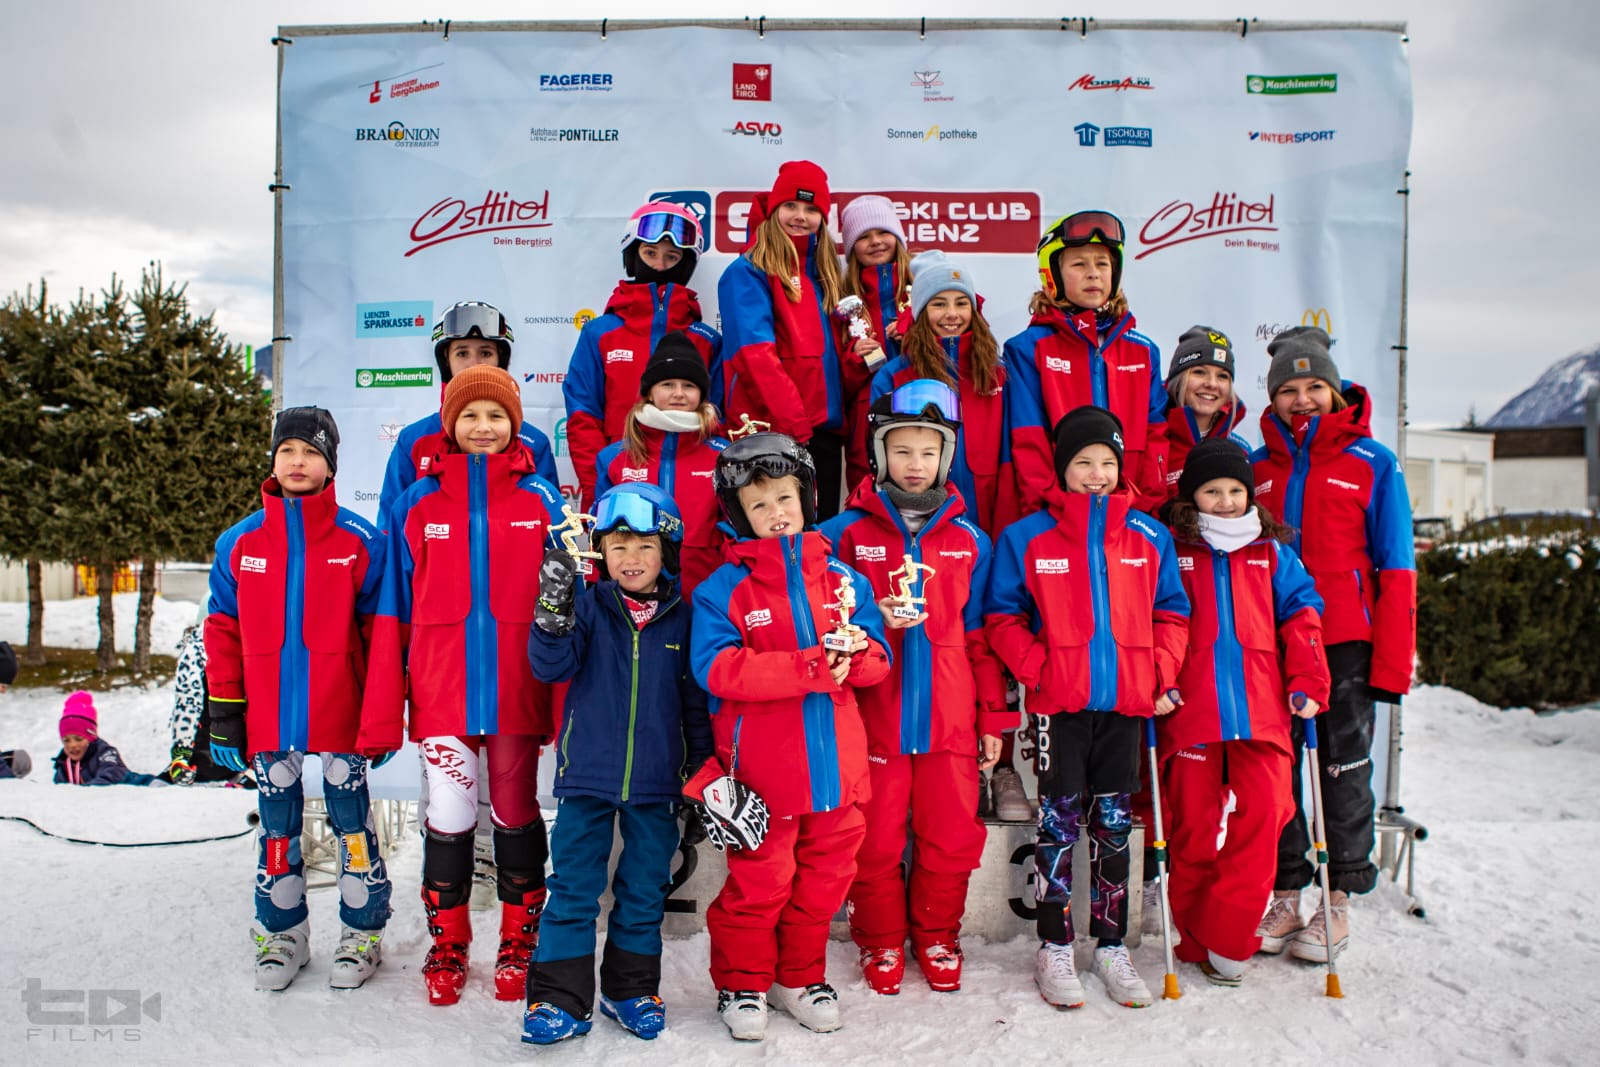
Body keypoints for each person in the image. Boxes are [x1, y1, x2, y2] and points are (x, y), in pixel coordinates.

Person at [360, 366, 564, 1006]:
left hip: (517, 691)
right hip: (442, 692)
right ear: (449, 424)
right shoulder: (416, 503)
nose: (483, 427)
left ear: (515, 426)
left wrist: (567, 704)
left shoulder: (543, 501)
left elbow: (568, 608)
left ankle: (519, 940)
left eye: (496, 416)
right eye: (469, 415)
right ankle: (447, 944)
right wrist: (382, 710)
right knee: (448, 818)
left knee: (516, 813)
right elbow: (391, 611)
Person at [984, 406, 1189, 1009]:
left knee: (1114, 824)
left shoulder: (1149, 535)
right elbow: (1002, 616)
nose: (1097, 474)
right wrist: (1040, 668)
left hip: (1126, 706)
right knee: (1057, 822)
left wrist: (1157, 672)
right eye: (1083, 462)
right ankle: (1054, 943)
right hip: (1060, 706)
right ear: (1062, 468)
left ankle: (1110, 944)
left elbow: (1172, 613)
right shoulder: (1027, 537)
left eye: (1106, 462)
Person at [690, 432, 890, 1039]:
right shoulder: (722, 590)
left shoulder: (843, 578)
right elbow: (717, 669)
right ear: (738, 514)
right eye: (759, 504)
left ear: (805, 498)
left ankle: (799, 977)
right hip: (763, 777)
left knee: (825, 883)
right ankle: (743, 983)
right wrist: (808, 666)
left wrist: (857, 656)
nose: (776, 512)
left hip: (837, 775)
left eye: (784, 498)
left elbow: (878, 659)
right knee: (761, 884)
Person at [818, 382, 1006, 994]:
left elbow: (980, 638)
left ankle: (937, 934)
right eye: (901, 450)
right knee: (873, 842)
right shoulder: (842, 536)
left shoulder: (970, 540)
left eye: (929, 451)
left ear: (947, 458)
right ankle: (878, 940)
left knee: (951, 837)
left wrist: (992, 719)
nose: (916, 464)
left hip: (949, 723)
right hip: (871, 720)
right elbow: (825, 624)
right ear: (879, 454)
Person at [205, 406, 392, 990]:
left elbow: (383, 636)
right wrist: (225, 711)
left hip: (340, 713)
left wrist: (381, 714)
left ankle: (362, 934)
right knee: (278, 830)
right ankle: (282, 934)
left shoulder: (361, 541)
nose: (297, 461)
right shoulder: (239, 542)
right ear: (273, 459)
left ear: (330, 465)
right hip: (267, 716)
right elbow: (222, 629)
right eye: (287, 450)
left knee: (351, 827)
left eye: (311, 452)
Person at [520, 484, 713, 1044]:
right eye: (618, 545)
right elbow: (550, 667)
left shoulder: (683, 618)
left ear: (666, 552)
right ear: (600, 552)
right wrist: (552, 613)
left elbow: (695, 706)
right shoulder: (586, 606)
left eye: (645, 546)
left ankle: (630, 990)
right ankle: (559, 1000)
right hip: (586, 776)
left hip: (658, 783)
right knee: (574, 888)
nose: (631, 558)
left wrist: (701, 776)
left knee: (644, 890)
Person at [1249, 326, 1416, 962]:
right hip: (1270, 642)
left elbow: (1397, 566)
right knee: (1277, 774)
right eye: (1288, 390)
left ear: (1335, 390)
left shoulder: (1373, 461)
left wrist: (1391, 666)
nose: (1302, 400)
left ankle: (1336, 900)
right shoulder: (1256, 467)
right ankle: (1286, 895)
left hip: (1345, 643)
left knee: (1342, 769)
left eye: (1314, 386)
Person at [1158, 438, 1330, 985]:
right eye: (1213, 491)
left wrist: (1308, 678)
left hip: (1262, 708)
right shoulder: (1171, 550)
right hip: (1191, 709)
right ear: (1191, 496)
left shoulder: (1272, 552)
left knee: (1269, 810)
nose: (1227, 501)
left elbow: (1302, 614)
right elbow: (1154, 618)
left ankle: (1227, 931)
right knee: (1191, 827)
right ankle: (1191, 934)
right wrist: (1159, 681)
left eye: (1236, 490)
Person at [870, 252, 1028, 820]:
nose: (952, 313)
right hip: (916, 529)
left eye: (962, 303)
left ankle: (999, 764)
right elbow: (875, 460)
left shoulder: (995, 374)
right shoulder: (894, 375)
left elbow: (1009, 455)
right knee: (924, 641)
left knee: (988, 642)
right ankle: (914, 757)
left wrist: (1004, 532)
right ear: (919, 311)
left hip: (982, 528)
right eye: (939, 303)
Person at [1004, 211, 1169, 516]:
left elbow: (1155, 439)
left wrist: (1147, 512)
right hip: (1059, 517)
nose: (1093, 274)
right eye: (1079, 264)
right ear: (1053, 274)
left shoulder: (1144, 352)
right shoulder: (1027, 349)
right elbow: (1029, 444)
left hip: (1128, 518)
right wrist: (1044, 517)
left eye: (1102, 264)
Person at [718, 161, 856, 519]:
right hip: (773, 433)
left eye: (811, 209)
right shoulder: (747, 271)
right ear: (774, 208)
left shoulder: (826, 274)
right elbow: (754, 356)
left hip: (823, 435)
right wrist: (794, 427)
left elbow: (832, 362)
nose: (800, 216)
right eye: (791, 205)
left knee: (818, 537)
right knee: (773, 535)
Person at [564, 203, 722, 508]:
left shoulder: (707, 341)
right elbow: (583, 415)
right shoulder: (599, 333)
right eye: (650, 253)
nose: (660, 266)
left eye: (672, 257)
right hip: (619, 482)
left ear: (686, 264)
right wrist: (599, 484)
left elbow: (718, 419)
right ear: (632, 255)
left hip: (693, 493)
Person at [377, 301, 557, 523]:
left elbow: (554, 527)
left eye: (485, 353)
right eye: (462, 353)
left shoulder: (533, 443)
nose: (474, 364)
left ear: (501, 360)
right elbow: (391, 526)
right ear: (446, 361)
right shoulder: (414, 440)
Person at [594, 332, 728, 599]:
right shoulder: (614, 458)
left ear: (702, 394)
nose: (678, 394)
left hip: (704, 597)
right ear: (649, 393)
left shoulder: (724, 457)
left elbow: (733, 533)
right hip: (634, 599)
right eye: (667, 384)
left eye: (688, 385)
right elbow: (599, 536)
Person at [838, 195, 911, 488]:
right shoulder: (841, 299)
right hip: (865, 420)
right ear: (852, 247)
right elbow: (832, 380)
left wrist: (918, 339)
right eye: (864, 236)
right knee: (869, 494)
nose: (876, 242)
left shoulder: (923, 286)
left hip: (920, 409)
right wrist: (854, 359)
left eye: (883, 232)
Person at [1161, 325, 1250, 502]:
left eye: (1222, 376)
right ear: (1178, 380)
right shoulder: (1153, 441)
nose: (1212, 384)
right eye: (1199, 372)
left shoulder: (1241, 451)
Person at [51, 691, 156, 786]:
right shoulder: (64, 766)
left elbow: (111, 775)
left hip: (145, 786)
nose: (72, 745)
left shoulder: (105, 753)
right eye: (66, 740)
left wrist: (83, 792)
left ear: (91, 738)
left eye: (78, 739)